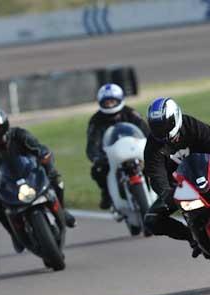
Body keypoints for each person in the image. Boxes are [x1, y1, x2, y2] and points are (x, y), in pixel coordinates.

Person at [0, 108, 75, 253]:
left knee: (56, 178)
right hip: (10, 184)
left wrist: (43, 154)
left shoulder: (19, 134)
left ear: (5, 125)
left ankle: (63, 209)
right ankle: (14, 234)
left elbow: (37, 147)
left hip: (31, 174)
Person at [143, 97, 210, 258]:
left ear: (175, 118)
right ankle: (193, 238)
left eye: (164, 125)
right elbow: (155, 172)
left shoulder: (192, 126)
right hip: (180, 188)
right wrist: (167, 193)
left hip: (206, 175)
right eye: (156, 127)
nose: (161, 131)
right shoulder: (153, 144)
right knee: (152, 220)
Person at [86, 83, 150, 209]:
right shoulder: (95, 120)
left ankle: (161, 188)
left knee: (155, 163)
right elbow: (92, 144)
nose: (109, 104)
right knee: (97, 170)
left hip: (134, 149)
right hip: (110, 154)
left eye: (112, 101)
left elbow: (146, 131)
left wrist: (151, 145)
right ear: (100, 103)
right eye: (106, 102)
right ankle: (107, 194)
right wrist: (96, 157)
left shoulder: (131, 113)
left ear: (119, 100)